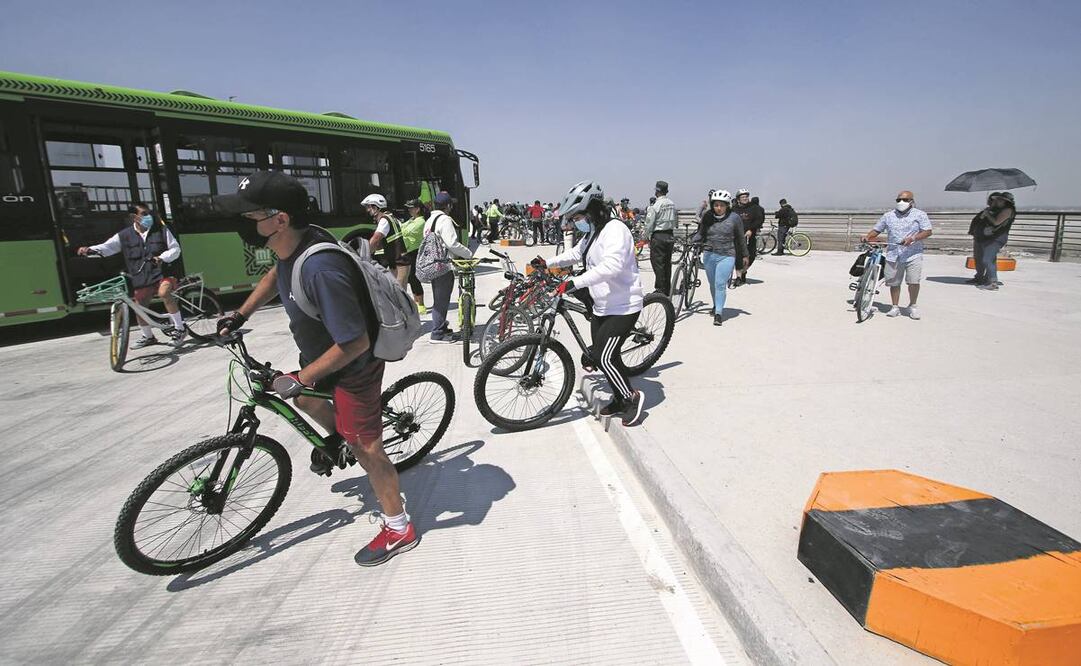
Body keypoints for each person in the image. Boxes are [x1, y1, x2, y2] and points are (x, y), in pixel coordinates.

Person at [212, 170, 417, 567]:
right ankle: (339, 434)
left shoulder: (322, 268)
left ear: (279, 219)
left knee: (366, 446)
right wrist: (239, 315)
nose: (243, 224)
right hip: (321, 356)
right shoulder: (293, 244)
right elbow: (277, 274)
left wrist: (301, 377)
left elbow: (354, 342)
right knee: (305, 398)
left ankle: (398, 527)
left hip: (354, 366)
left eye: (249, 216)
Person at [532, 180, 646, 426]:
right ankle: (617, 397)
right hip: (602, 304)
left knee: (604, 357)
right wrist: (548, 263)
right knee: (605, 356)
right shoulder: (594, 230)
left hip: (624, 305)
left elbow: (612, 266)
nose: (576, 221)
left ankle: (631, 397)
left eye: (579, 215)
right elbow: (576, 254)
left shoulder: (616, 230)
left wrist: (576, 282)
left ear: (593, 209)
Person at [78, 203, 185, 348]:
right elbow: (107, 247)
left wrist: (162, 258)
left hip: (163, 272)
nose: (149, 216)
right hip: (141, 276)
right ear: (134, 217)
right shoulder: (124, 235)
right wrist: (89, 250)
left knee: (164, 293)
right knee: (138, 305)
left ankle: (180, 328)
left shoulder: (161, 230)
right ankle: (148, 336)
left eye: (149, 213)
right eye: (144, 214)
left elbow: (175, 249)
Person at [861, 190, 933, 319]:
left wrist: (913, 238)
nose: (901, 202)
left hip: (913, 254)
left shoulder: (920, 215)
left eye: (905, 200)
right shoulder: (888, 216)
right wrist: (867, 236)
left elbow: (927, 231)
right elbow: (877, 230)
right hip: (893, 253)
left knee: (913, 281)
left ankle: (912, 306)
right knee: (894, 282)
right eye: (898, 200)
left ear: (912, 201)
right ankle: (895, 307)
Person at [691, 190, 747, 326]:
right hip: (709, 254)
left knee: (720, 284)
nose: (719, 208)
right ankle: (716, 305)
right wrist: (693, 241)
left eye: (722, 205)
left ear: (727, 205)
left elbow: (740, 238)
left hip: (727, 255)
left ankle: (718, 314)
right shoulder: (707, 216)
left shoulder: (734, 218)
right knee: (712, 284)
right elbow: (701, 233)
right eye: (716, 205)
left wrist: (745, 255)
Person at [427, 191, 473, 343]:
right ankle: (437, 333)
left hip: (432, 264)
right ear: (447, 206)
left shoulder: (430, 220)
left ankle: (441, 325)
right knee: (442, 299)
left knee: (438, 298)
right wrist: (468, 253)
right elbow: (452, 243)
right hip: (443, 266)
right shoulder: (445, 220)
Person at [968, 191, 1016, 291]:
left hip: (996, 238)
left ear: (1006, 202)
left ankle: (993, 282)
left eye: (999, 200)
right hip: (984, 237)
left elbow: (996, 222)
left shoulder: (1008, 210)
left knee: (987, 259)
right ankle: (983, 278)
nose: (996, 201)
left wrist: (987, 214)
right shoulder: (994, 209)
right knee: (982, 258)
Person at [361, 194, 409, 289]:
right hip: (397, 263)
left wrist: (364, 254)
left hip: (400, 264)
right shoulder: (391, 217)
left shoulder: (384, 220)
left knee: (399, 295)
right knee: (395, 293)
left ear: (376, 207)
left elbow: (376, 239)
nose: (367, 210)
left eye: (369, 207)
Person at [645, 180, 678, 294]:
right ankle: (667, 288)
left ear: (657, 191)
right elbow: (676, 220)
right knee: (667, 263)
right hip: (670, 234)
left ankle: (660, 289)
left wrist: (645, 236)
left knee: (657, 263)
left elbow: (649, 223)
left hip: (658, 236)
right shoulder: (672, 204)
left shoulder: (656, 205)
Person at [731, 189, 764, 286]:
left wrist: (751, 229)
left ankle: (744, 271)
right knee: (738, 257)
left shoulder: (754, 208)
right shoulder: (734, 209)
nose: (745, 198)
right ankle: (738, 277)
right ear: (738, 199)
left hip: (750, 236)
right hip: (737, 237)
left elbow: (759, 220)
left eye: (746, 197)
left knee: (751, 256)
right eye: (743, 197)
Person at [401, 198, 428, 313]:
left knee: (414, 279)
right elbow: (401, 228)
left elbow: (404, 231)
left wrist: (403, 228)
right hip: (407, 252)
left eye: (411, 208)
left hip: (415, 252)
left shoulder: (421, 221)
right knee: (411, 279)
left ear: (417, 209)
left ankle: (421, 304)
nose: (409, 210)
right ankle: (416, 302)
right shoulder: (412, 220)